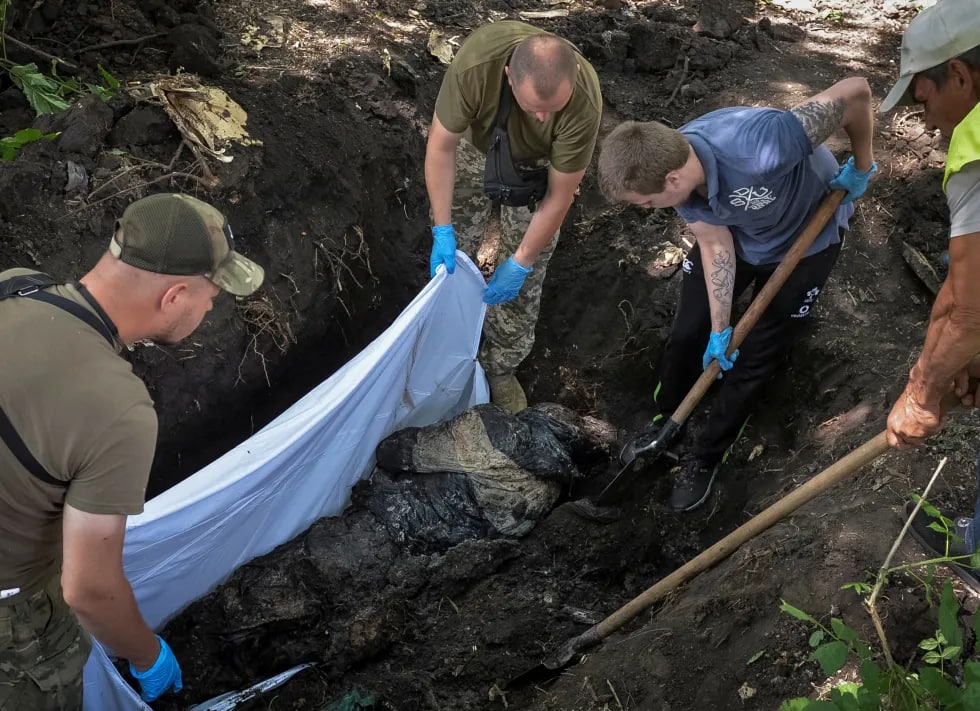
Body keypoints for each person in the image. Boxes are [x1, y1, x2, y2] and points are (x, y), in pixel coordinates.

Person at [0, 193, 264, 708]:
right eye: (211, 296)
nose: (211, 309)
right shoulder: (117, 409)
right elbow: (88, 590)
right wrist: (147, 655)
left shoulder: (14, 286)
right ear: (174, 296)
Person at [597, 78, 876, 512]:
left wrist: (862, 165)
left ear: (672, 179)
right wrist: (721, 327)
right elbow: (713, 244)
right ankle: (669, 420)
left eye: (647, 203)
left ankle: (707, 455)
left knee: (757, 352)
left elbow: (856, 92)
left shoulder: (762, 147)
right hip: (739, 236)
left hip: (806, 240)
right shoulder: (677, 181)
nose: (649, 210)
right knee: (692, 329)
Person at [425, 20, 602, 413]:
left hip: (538, 168)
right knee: (453, 263)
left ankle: (500, 367)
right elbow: (441, 148)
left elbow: (560, 194)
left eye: (552, 109)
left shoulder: (583, 100)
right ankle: (444, 350)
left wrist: (521, 261)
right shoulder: (476, 66)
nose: (541, 118)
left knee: (527, 272)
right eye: (532, 107)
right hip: (476, 149)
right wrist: (442, 228)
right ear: (508, 77)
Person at [879, 0, 980, 590]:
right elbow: (961, 289)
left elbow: (970, 313)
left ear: (961, 77)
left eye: (922, 98)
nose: (926, 119)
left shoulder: (974, 149)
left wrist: (921, 394)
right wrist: (944, 362)